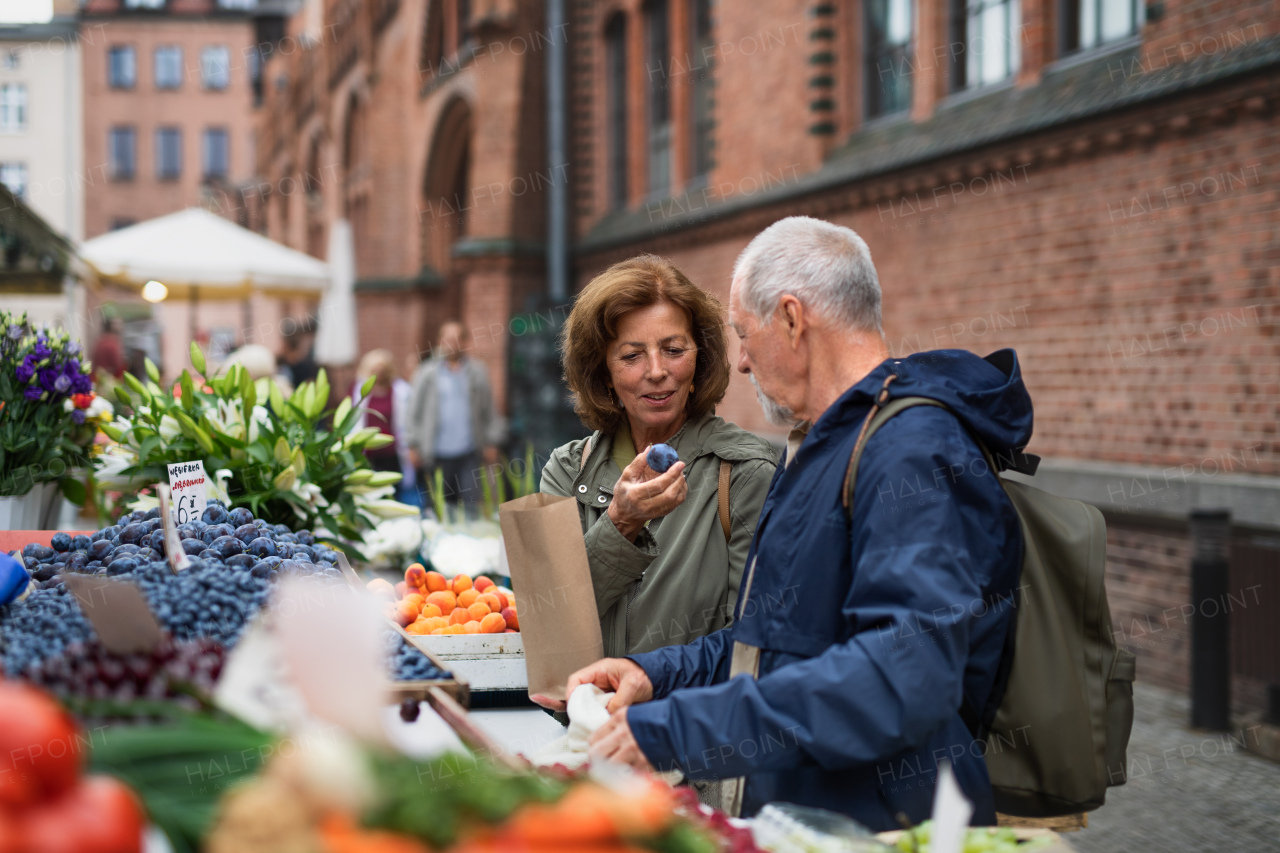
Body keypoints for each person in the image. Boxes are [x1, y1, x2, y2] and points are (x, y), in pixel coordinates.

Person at [560, 217, 1031, 830]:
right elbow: (781, 643)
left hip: (886, 825)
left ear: (791, 318)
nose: (744, 364)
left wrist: (679, 728)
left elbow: (903, 677)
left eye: (743, 336)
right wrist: (656, 675)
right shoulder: (831, 442)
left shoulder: (911, 449)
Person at [538, 255, 777, 664]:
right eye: (631, 356)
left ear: (699, 356)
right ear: (603, 371)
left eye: (673, 349)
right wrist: (619, 525)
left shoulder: (745, 473)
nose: (656, 371)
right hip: (585, 723)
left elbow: (752, 647)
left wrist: (648, 690)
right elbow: (548, 628)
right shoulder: (565, 470)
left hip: (687, 725)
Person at [406, 322, 502, 515]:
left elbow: (489, 409)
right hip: (436, 453)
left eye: (457, 339)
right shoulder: (427, 372)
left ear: (465, 341)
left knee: (471, 507)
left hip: (469, 452)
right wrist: (412, 444)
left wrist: (492, 441)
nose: (451, 344)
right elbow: (413, 411)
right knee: (438, 508)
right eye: (447, 339)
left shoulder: (477, 371)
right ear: (440, 341)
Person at [352, 348, 411, 475]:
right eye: (375, 370)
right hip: (367, 453)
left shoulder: (400, 390)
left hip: (391, 453)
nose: (379, 374)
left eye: (382, 370)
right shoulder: (359, 391)